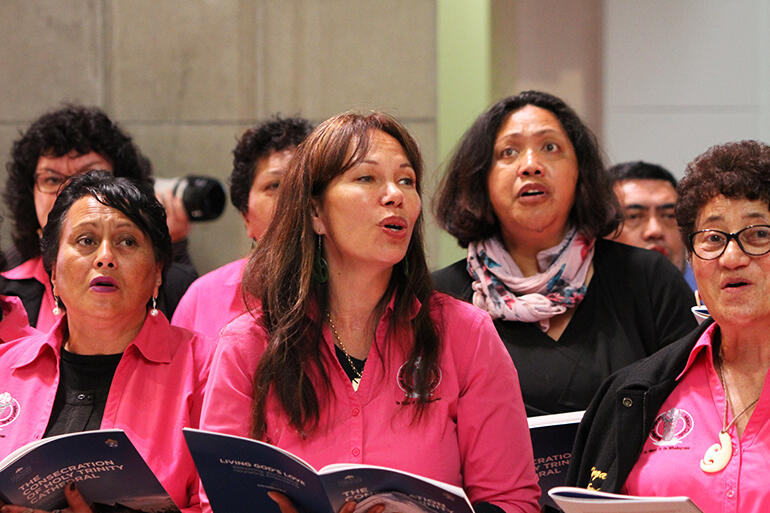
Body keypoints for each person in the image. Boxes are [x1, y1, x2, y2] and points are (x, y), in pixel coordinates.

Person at [200, 112, 540, 513]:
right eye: (367, 178)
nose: (395, 194)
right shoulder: (249, 344)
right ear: (315, 213)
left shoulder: (466, 333)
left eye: (407, 180)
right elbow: (218, 502)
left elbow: (512, 501)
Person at [432, 90, 697, 416]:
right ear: (481, 177)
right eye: (509, 151)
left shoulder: (647, 279)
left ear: (580, 172)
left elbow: (697, 407)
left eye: (550, 147)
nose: (530, 165)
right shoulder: (439, 299)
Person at [567, 140, 770, 513]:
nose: (732, 256)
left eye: (759, 234)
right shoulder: (632, 391)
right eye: (712, 238)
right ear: (692, 257)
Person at [0, 171, 212, 513]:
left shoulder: (207, 368)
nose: (105, 257)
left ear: (158, 271)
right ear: (52, 271)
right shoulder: (5, 367)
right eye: (85, 240)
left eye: (127, 241)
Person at [1, 104, 197, 329]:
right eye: (52, 180)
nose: (69, 191)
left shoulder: (177, 284)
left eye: (90, 177)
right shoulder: (5, 285)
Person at [171, 116, 313, 338]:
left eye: (304, 183)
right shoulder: (203, 298)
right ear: (246, 215)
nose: (292, 197)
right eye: (274, 185)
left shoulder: (350, 291)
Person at [608, 160, 696, 290]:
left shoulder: (713, 301)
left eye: (669, 215)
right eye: (634, 216)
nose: (655, 230)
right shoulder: (575, 301)